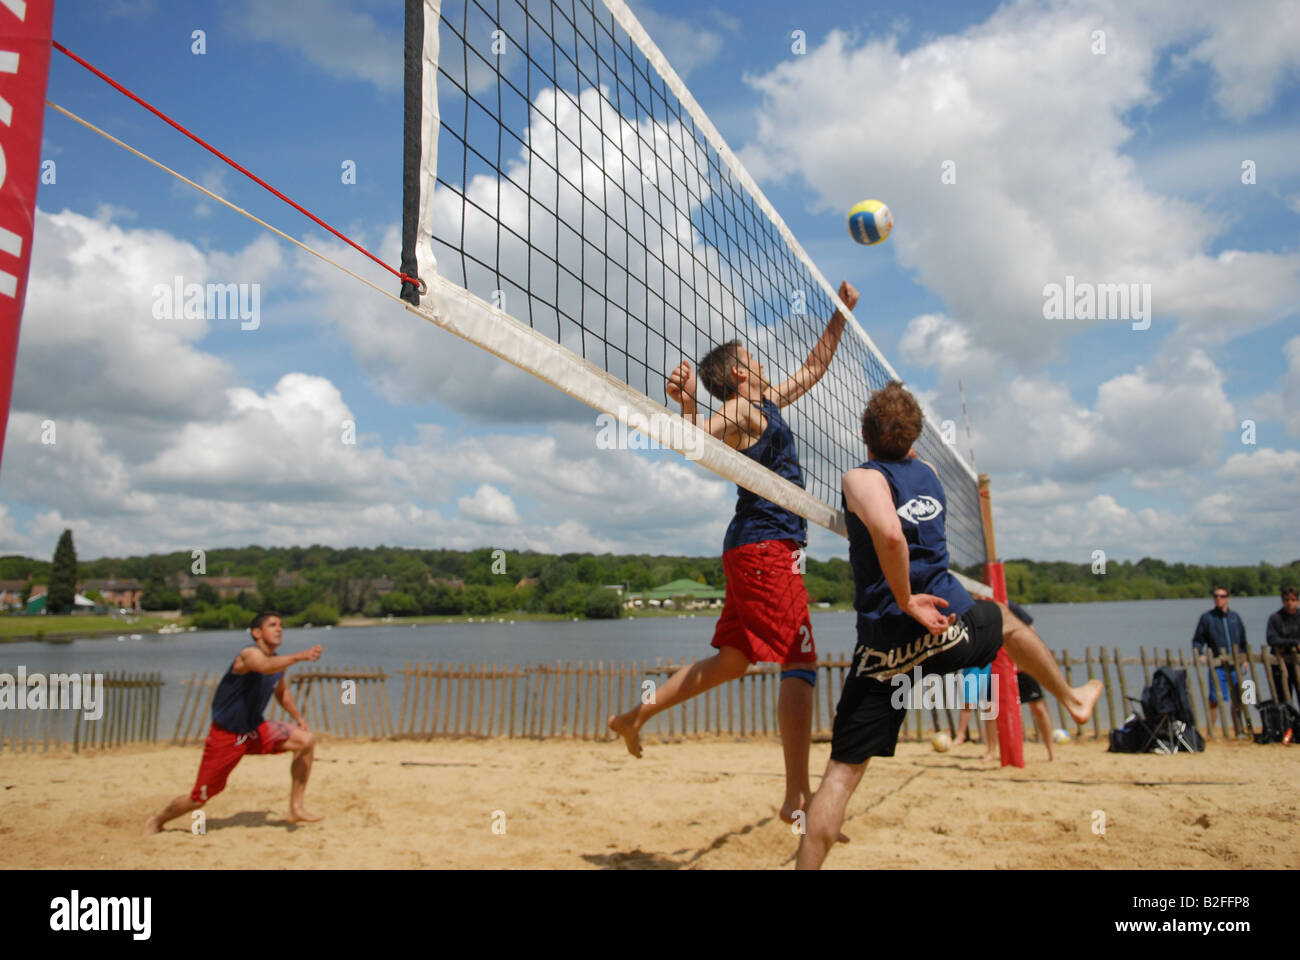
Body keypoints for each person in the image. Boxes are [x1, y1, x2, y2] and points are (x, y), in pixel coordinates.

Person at [795, 382, 1102, 869]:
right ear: (915, 438)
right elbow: (898, 525)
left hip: (885, 649)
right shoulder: (931, 472)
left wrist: (903, 598)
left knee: (839, 776)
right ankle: (1072, 698)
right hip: (949, 629)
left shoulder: (860, 478)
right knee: (1006, 620)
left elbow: (890, 535)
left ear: (863, 433)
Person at [610, 281, 859, 826]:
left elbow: (814, 370)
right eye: (754, 357)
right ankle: (797, 794)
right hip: (764, 547)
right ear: (742, 374)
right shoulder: (743, 408)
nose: (763, 362)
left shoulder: (764, 402)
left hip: (756, 546)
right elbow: (698, 439)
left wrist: (840, 314)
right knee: (799, 660)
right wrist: (688, 405)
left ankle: (633, 716)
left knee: (731, 661)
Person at [143, 612, 323, 835]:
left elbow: (281, 692)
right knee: (199, 798)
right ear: (257, 633)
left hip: (255, 730)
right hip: (226, 736)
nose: (279, 629)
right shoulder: (249, 654)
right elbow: (264, 666)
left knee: (305, 741)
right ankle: (157, 820)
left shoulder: (278, 662)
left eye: (280, 625)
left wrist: (299, 719)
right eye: (272, 625)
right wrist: (300, 656)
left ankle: (296, 808)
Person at [1192, 587, 1249, 736]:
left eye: (1222, 596)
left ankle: (1238, 730)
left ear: (1228, 598)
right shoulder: (1207, 618)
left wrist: (1244, 659)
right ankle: (1210, 732)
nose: (1219, 598)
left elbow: (1243, 641)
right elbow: (1198, 640)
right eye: (1216, 596)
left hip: (1235, 664)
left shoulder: (1235, 617)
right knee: (1214, 698)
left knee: (1238, 698)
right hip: (1217, 664)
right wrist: (1200, 654)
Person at [1006, 600, 1057, 761]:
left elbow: (1031, 632)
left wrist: (1026, 658)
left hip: (1022, 667)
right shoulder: (983, 607)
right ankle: (993, 752)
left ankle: (1051, 752)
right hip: (1002, 668)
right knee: (995, 711)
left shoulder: (1010, 606)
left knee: (1038, 708)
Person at [952, 663, 998, 761]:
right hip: (972, 665)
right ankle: (961, 734)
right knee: (967, 702)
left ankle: (991, 749)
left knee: (989, 708)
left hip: (990, 666)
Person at [1265, 586, 1300, 707]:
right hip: (1280, 665)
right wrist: (1295, 643)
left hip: (1298, 663)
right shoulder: (1275, 618)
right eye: (1286, 600)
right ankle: (1287, 720)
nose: (1290, 602)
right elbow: (1272, 639)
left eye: (1293, 599)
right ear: (1283, 601)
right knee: (1283, 701)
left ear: (1297, 601)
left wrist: (1284, 643)